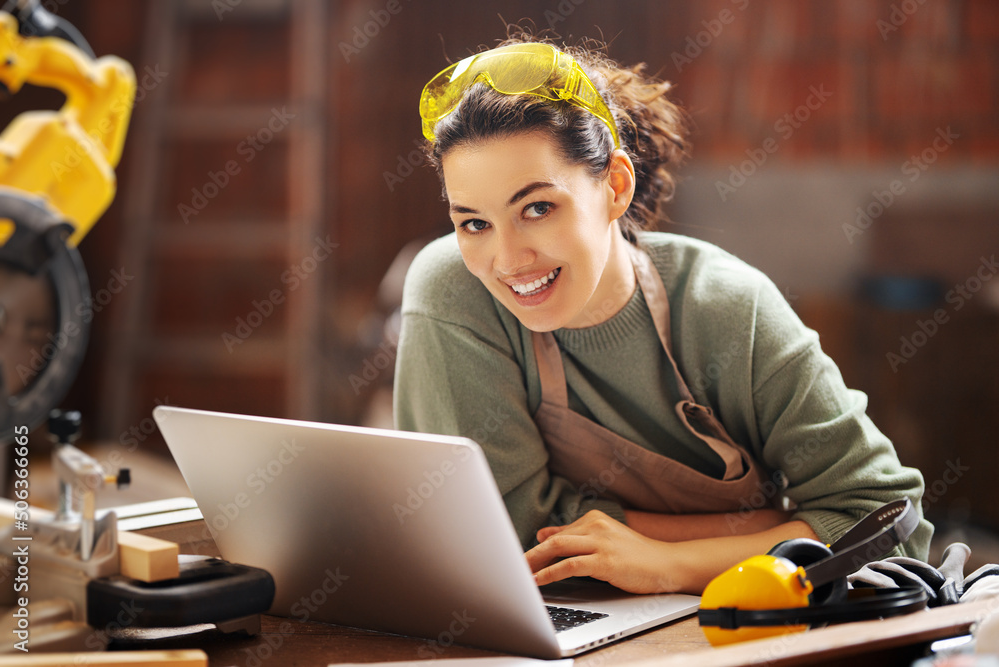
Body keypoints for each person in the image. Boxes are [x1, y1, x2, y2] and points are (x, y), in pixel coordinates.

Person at [393, 33, 932, 595]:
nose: (506, 260)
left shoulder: (729, 310)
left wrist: (667, 563)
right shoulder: (453, 289)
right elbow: (502, 538)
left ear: (615, 187)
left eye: (538, 208)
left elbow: (892, 526)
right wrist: (766, 529)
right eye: (473, 223)